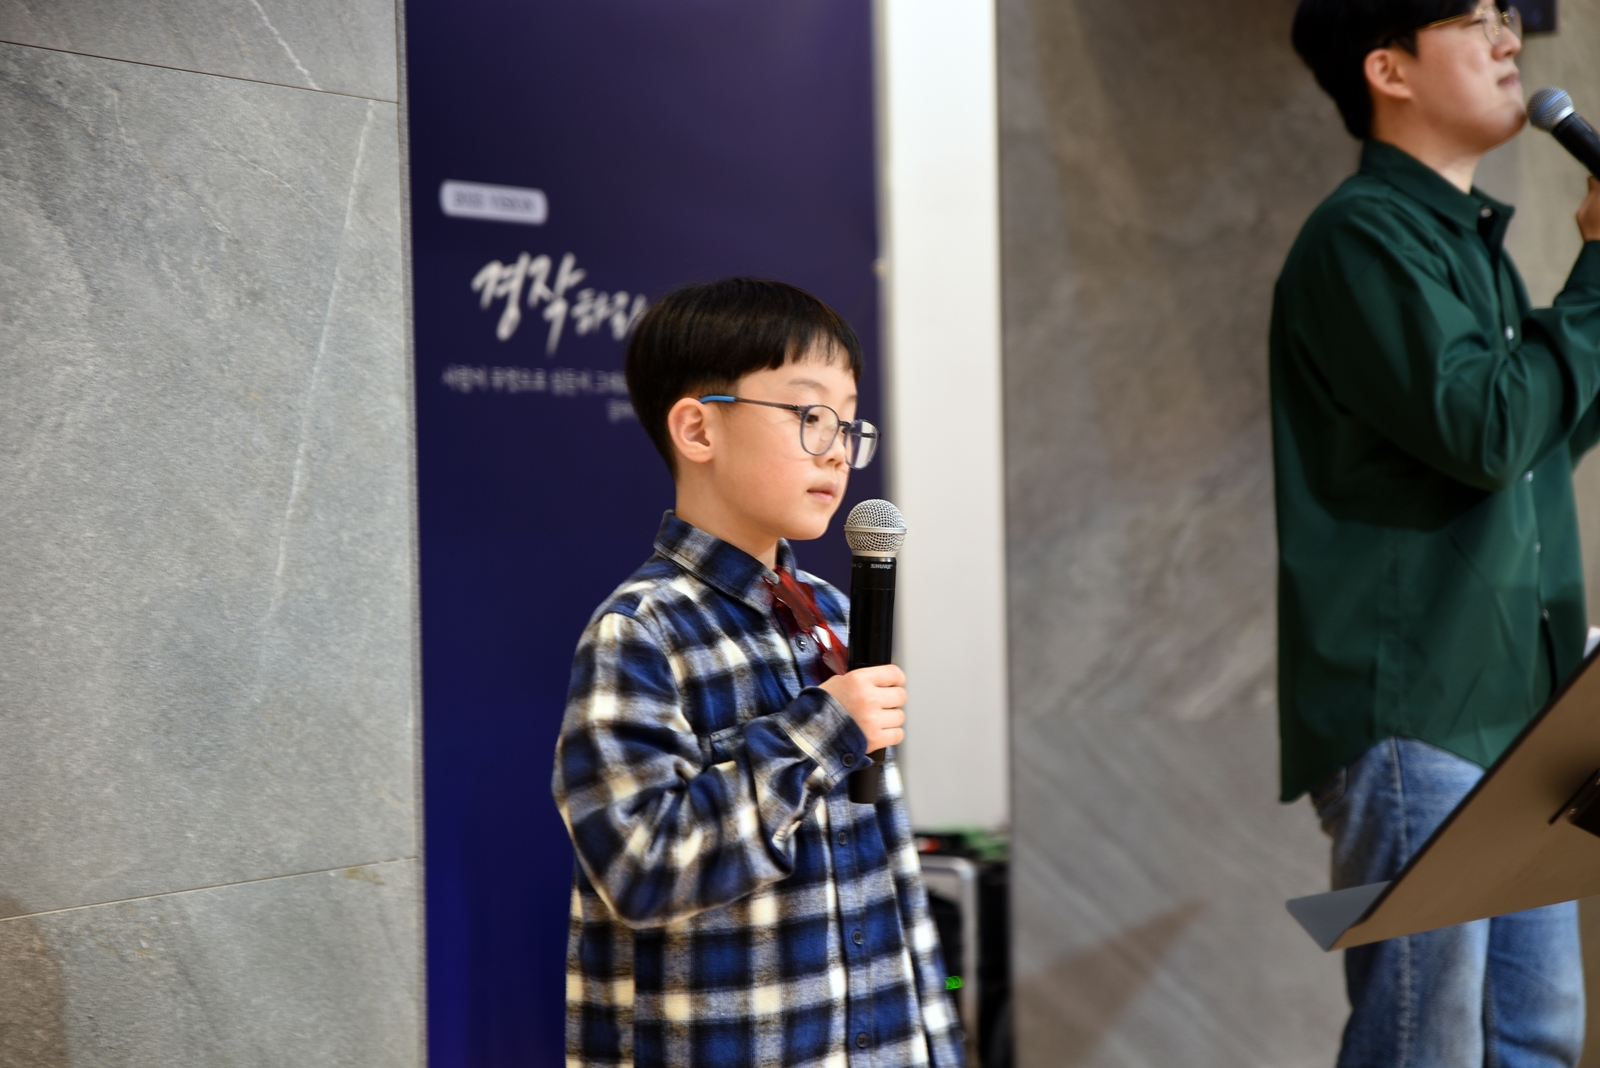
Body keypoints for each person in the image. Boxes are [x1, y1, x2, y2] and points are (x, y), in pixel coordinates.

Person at [1276, 0, 1600, 1063]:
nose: (1510, 41)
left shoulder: (1471, 250)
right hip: (1420, 712)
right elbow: (1489, 431)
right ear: (1390, 69)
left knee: (1536, 1036)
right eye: (1477, 19)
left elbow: (1534, 440)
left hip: (1519, 713)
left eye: (1509, 16)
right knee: (1428, 1043)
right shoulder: (1363, 236)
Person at [552, 278, 963, 1068]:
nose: (837, 449)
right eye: (810, 415)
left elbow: (890, 872)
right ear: (698, 428)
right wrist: (822, 731)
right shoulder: (641, 631)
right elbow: (640, 869)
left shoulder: (834, 610)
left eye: (848, 423)